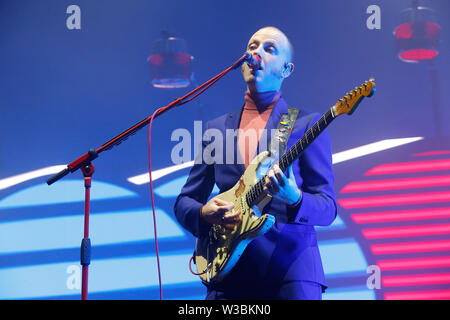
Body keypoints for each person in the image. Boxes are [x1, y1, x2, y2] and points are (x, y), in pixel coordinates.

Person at [174, 26, 337, 300]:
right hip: (227, 275)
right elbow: (185, 201)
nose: (255, 52)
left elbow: (328, 207)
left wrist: (295, 198)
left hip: (289, 275)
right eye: (252, 46)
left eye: (269, 48)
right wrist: (203, 213)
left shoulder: (306, 125)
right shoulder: (216, 130)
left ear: (286, 69)